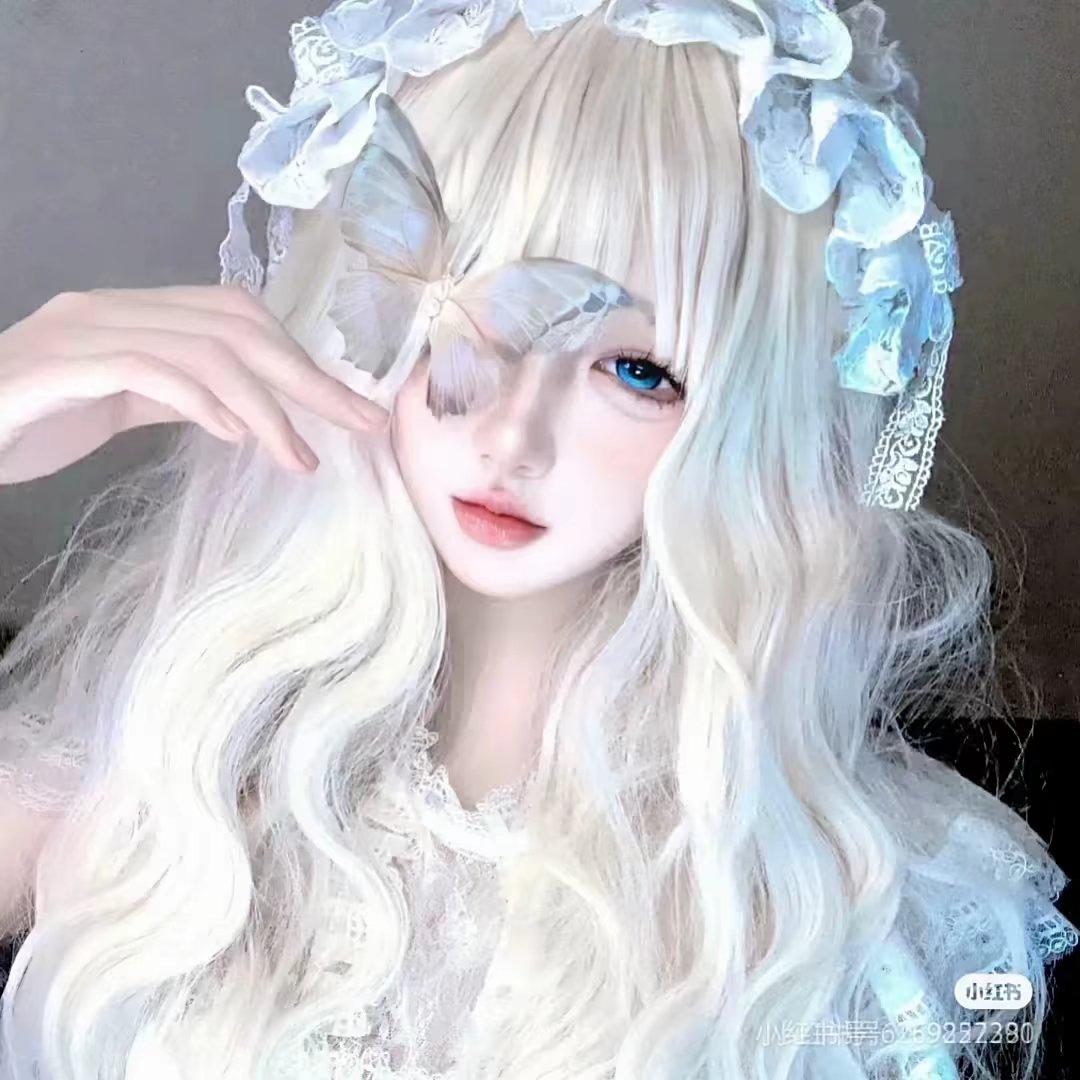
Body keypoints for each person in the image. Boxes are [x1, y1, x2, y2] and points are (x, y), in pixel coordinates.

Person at [0, 5, 1074, 1079]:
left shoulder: (864, 904)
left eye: (638, 371)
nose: (512, 437)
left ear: (749, 425)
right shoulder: (156, 775)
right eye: (468, 314)